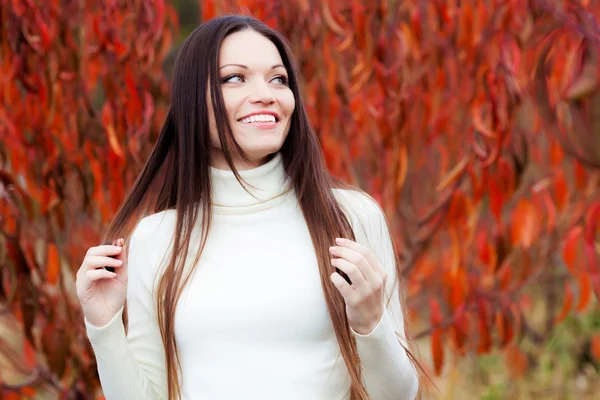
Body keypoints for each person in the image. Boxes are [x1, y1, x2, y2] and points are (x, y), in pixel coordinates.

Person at [76, 15, 420, 400]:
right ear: (193, 99)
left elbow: (398, 395)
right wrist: (103, 325)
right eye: (235, 78)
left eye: (278, 79)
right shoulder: (158, 237)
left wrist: (370, 324)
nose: (267, 94)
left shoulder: (350, 216)